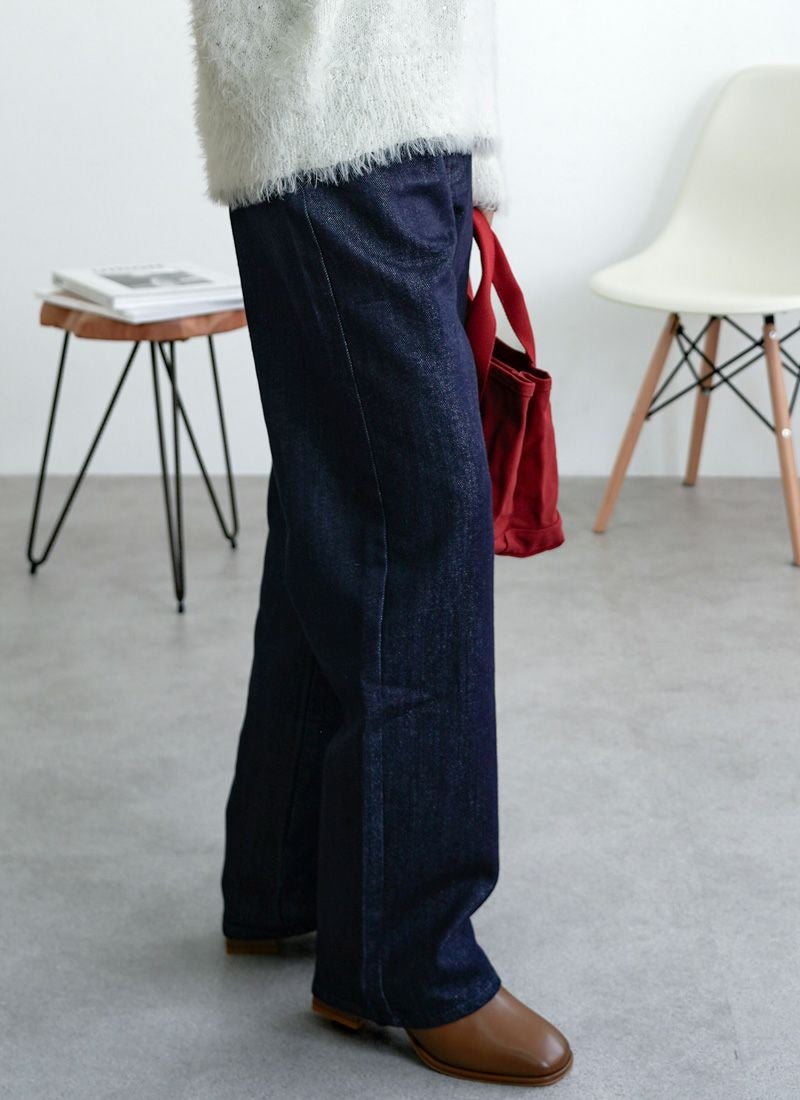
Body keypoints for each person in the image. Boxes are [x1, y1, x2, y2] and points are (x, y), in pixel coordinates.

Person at [189, 0, 572, 1086]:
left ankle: (282, 883)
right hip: (341, 118)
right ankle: (410, 962)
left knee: (339, 505)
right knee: (420, 520)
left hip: (392, 121)